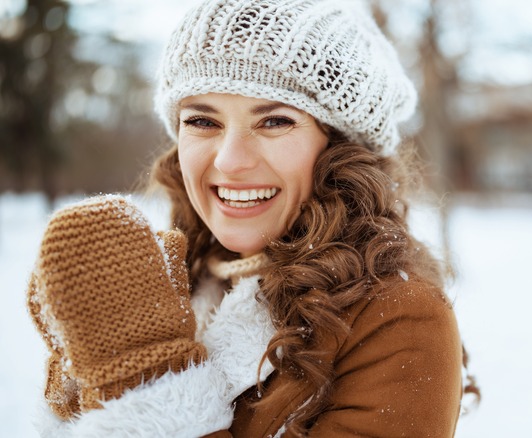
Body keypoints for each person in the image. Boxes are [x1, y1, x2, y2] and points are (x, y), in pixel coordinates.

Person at [26, 0, 478, 436]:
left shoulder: (400, 318)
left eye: (275, 121)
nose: (230, 160)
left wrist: (148, 378)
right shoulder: (182, 283)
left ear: (341, 148)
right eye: (203, 121)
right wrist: (80, 373)